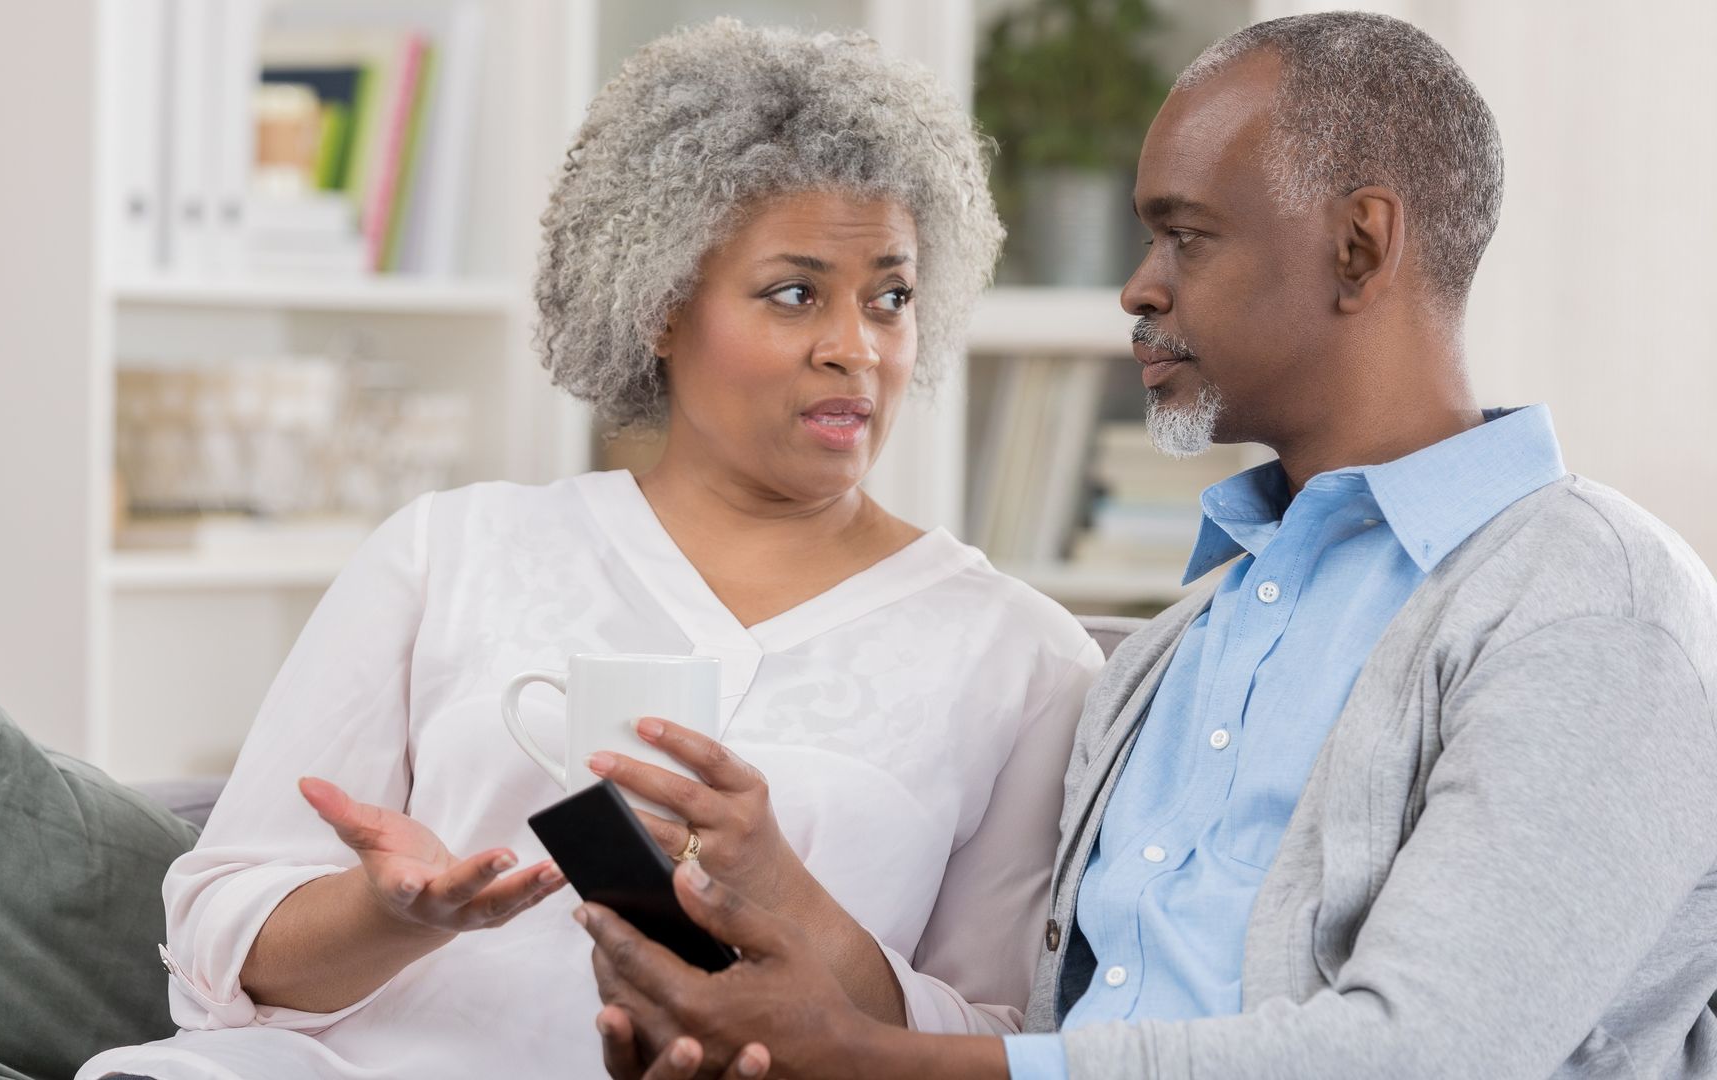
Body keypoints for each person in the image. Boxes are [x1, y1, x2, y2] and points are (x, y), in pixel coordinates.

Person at [580, 12, 1717, 1080]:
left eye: (1187, 236)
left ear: (1360, 246)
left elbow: (1428, 1053)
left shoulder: (1587, 602)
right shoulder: (1178, 649)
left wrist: (870, 1061)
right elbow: (1061, 1034)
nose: (1137, 286)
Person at [80, 18, 1105, 1080]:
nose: (857, 349)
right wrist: (391, 914)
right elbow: (219, 946)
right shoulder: (449, 552)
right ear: (660, 307)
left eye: (890, 298)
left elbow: (997, 1043)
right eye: (795, 294)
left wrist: (786, 897)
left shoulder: (1024, 659)